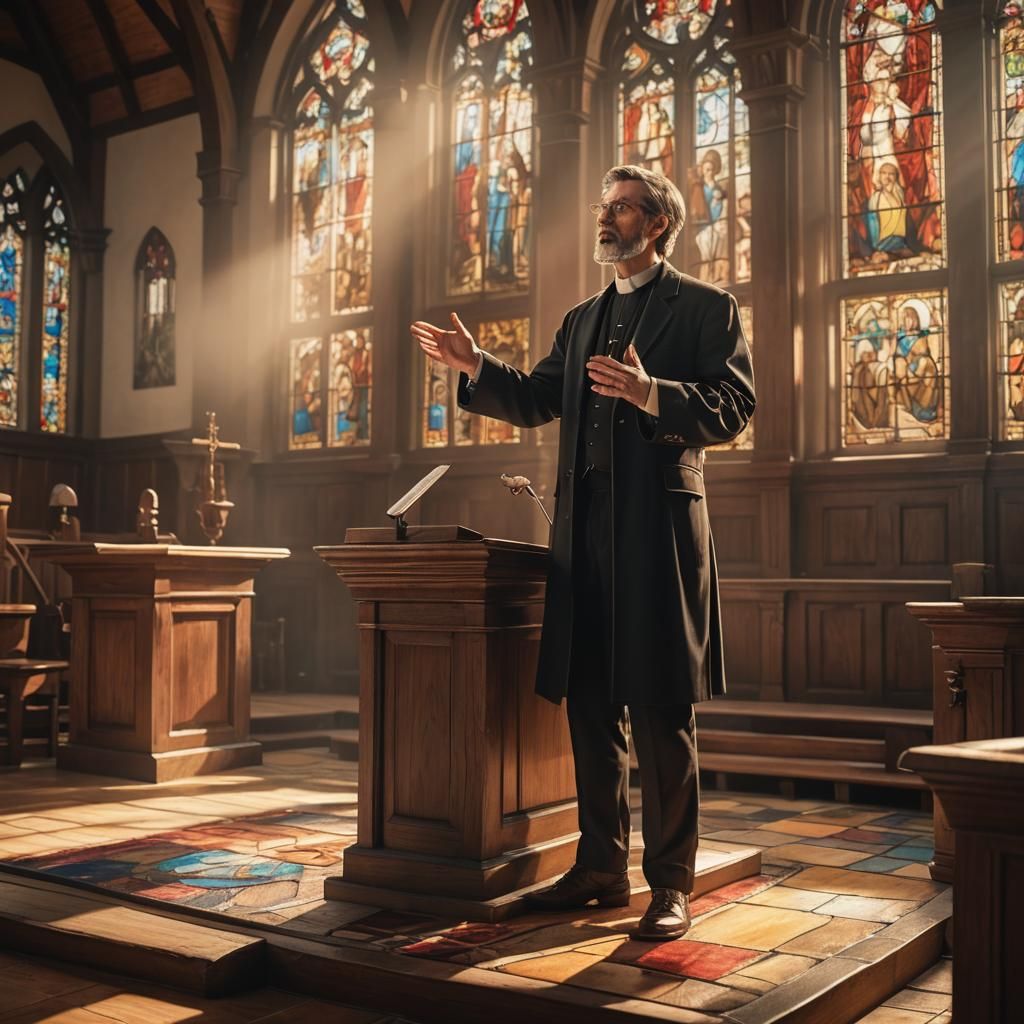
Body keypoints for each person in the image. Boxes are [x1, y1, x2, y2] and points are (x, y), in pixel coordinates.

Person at [410, 164, 754, 941]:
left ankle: (670, 885)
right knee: (592, 706)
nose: (609, 218)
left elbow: (734, 408)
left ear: (657, 222)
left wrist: (650, 394)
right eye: (604, 206)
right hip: (584, 538)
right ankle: (601, 867)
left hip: (660, 538)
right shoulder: (583, 318)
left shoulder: (705, 308)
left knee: (663, 712)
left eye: (623, 208)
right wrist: (475, 368)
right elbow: (536, 398)